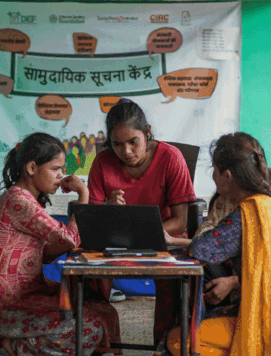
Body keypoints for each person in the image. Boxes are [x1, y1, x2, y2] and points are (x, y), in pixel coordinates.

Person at [0, 132, 120, 356]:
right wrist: (83, 193)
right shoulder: (17, 200)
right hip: (11, 307)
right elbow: (68, 238)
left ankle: (33, 341)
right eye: (55, 169)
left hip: (30, 293)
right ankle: (20, 345)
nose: (61, 176)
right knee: (90, 327)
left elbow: (47, 255)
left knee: (101, 310)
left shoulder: (26, 200)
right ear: (31, 168)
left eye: (61, 169)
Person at [166, 132, 271, 356]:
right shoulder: (269, 203)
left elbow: (201, 248)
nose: (214, 178)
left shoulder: (251, 211)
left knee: (178, 340)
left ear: (227, 175)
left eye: (215, 171)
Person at [86, 98, 198, 340]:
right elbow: (92, 220)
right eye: (117, 144)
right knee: (88, 279)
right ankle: (100, 342)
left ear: (147, 133)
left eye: (133, 142)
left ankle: (164, 344)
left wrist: (142, 235)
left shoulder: (171, 157)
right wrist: (107, 209)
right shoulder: (102, 162)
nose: (126, 151)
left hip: (163, 242)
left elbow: (181, 221)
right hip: (114, 244)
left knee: (171, 286)